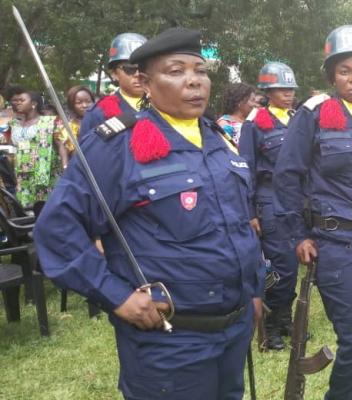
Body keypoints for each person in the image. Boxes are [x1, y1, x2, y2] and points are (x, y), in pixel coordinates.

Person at [34, 28, 264, 399]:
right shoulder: (118, 144)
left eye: (200, 70)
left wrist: (252, 290)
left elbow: (237, 225)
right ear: (144, 81)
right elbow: (57, 228)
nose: (193, 82)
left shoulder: (218, 138)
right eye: (175, 71)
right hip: (171, 342)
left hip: (232, 329)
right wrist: (117, 296)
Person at [273, 25, 352, 400]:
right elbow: (286, 176)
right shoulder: (313, 114)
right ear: (332, 76)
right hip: (338, 240)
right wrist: (298, 235)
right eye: (345, 70)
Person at [238, 61, 299, 351]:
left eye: (291, 89)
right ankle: (271, 326)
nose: (288, 94)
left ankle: (286, 319)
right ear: (268, 91)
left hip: (298, 201)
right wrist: (250, 212)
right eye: (281, 89)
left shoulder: (297, 119)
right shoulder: (255, 124)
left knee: (295, 262)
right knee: (280, 264)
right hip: (269, 200)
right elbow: (246, 169)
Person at [80, 33, 147, 138]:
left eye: (144, 68)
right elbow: (88, 152)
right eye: (130, 69)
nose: (138, 74)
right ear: (114, 74)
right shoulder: (98, 114)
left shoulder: (167, 106)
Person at [8, 88, 62, 208]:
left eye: (22, 100)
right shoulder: (14, 124)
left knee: (47, 207)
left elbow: (60, 144)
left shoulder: (49, 121)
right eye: (16, 100)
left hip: (46, 174)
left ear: (33, 104)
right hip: (24, 174)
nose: (17, 103)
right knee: (35, 208)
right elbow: (13, 146)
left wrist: (65, 166)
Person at [56, 86, 95, 165]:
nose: (84, 105)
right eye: (79, 102)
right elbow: (64, 153)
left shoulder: (102, 123)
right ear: (72, 105)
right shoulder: (68, 127)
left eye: (88, 101)